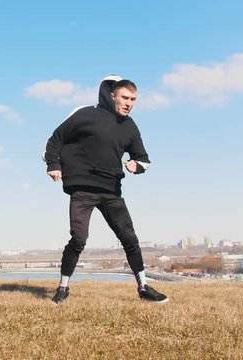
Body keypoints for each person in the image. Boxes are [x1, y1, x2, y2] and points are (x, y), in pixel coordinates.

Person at [43, 75, 169, 304]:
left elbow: (144, 158)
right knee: (79, 239)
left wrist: (137, 165)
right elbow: (55, 140)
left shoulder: (129, 126)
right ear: (112, 96)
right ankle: (63, 287)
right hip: (83, 190)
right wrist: (53, 164)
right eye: (125, 97)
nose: (129, 103)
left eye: (133, 99)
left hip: (111, 191)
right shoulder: (85, 114)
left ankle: (143, 286)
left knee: (129, 237)